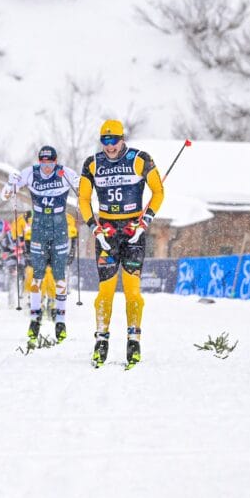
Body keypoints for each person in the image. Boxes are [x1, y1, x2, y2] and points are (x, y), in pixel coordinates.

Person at [78, 119, 164, 368]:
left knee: (132, 291)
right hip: (106, 233)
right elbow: (83, 199)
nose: (110, 146)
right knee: (105, 292)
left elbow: (158, 192)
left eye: (113, 140)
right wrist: (94, 228)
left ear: (122, 139)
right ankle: (101, 340)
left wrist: (144, 223)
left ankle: (134, 341)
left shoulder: (140, 159)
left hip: (132, 231)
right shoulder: (92, 163)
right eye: (105, 140)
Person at [2, 145, 80, 349]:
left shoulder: (65, 172)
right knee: (36, 273)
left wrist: (84, 189)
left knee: (59, 274)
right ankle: (35, 318)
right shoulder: (30, 172)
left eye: (50, 163)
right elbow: (5, 195)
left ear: (55, 161)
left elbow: (85, 190)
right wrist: (10, 184)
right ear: (39, 161)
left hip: (59, 225)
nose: (46, 167)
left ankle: (60, 320)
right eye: (43, 162)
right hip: (38, 225)